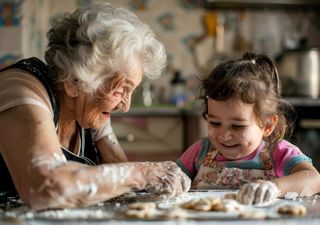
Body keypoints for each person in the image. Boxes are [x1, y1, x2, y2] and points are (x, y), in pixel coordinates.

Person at [0, 3, 190, 210]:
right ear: (74, 81)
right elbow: (47, 187)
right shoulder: (21, 87)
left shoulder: (88, 107)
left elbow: (119, 173)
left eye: (130, 92)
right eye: (119, 91)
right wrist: (143, 172)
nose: (124, 107)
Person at [176, 52, 320, 205]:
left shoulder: (278, 152)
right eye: (215, 123)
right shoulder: (201, 151)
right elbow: (172, 177)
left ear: (267, 125)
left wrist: (275, 187)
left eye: (237, 126)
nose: (224, 136)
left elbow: (314, 179)